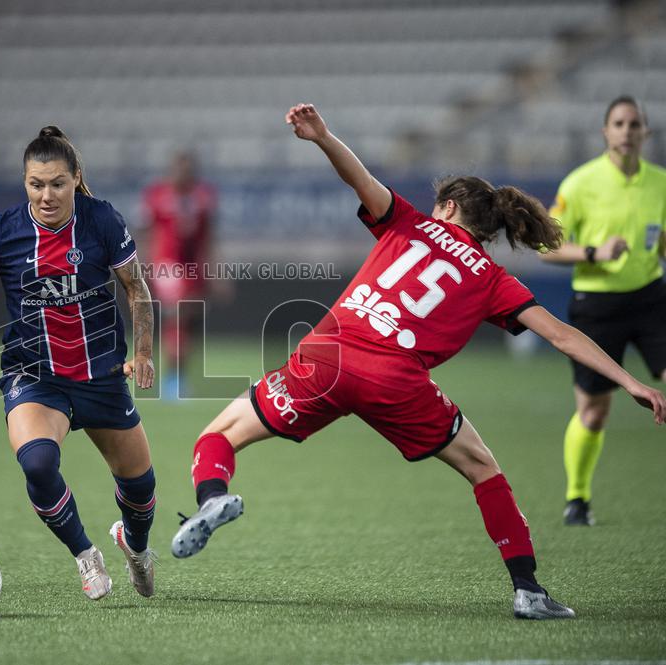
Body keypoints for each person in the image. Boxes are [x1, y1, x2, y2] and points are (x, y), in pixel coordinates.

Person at [171, 104, 666, 620]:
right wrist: (630, 381)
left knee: (221, 434)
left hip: (328, 356)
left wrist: (322, 136)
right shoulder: (494, 279)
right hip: (395, 381)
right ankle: (528, 590)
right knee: (482, 469)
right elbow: (563, 335)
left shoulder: (406, 223)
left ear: (449, 207)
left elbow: (358, 178)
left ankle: (212, 498)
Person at [0, 126, 158, 601]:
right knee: (39, 462)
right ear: (25, 182)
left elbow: (137, 288)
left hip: (101, 375)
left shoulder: (102, 220)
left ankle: (135, 546)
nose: (46, 195)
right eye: (36, 184)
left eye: (57, 184)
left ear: (76, 180)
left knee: (142, 493)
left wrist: (144, 353)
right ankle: (86, 555)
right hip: (34, 376)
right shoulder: (2, 230)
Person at [540, 95, 666, 526]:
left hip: (651, 299)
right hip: (597, 306)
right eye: (619, 123)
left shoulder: (660, 183)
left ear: (645, 132)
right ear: (606, 132)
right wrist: (595, 251)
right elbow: (547, 245)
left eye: (635, 124)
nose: (627, 131)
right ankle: (577, 499)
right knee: (594, 411)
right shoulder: (580, 183)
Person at [141, 150, 219, 398]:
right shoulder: (156, 195)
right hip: (166, 265)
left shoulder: (204, 197)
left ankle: (176, 377)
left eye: (187, 169)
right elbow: (146, 232)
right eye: (179, 169)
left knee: (189, 322)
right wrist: (140, 268)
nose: (183, 174)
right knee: (178, 314)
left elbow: (209, 238)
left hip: (193, 268)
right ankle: (172, 382)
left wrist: (216, 272)